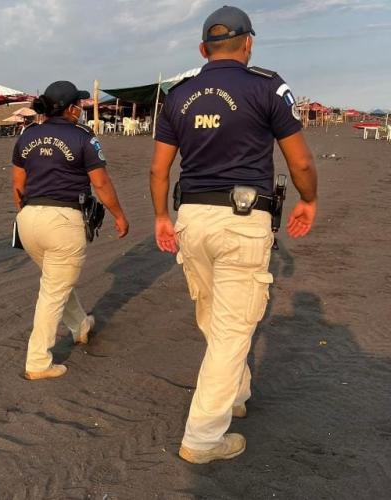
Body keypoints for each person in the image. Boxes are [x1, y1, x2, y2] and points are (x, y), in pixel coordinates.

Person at [149, 6, 318, 463]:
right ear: (249, 44)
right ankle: (204, 437)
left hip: (192, 218)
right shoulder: (266, 85)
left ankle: (235, 394)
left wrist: (161, 217)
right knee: (230, 329)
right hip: (242, 219)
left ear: (203, 50)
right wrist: (309, 199)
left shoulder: (178, 95)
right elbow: (299, 160)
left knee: (213, 316)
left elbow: (159, 167)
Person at [12, 81, 129, 381]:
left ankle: (81, 326)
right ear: (70, 108)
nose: (82, 109)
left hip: (29, 220)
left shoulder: (28, 135)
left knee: (56, 281)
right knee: (52, 291)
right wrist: (118, 215)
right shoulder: (83, 137)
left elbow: (18, 185)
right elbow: (101, 184)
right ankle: (38, 361)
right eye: (79, 104)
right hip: (63, 221)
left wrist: (26, 214)